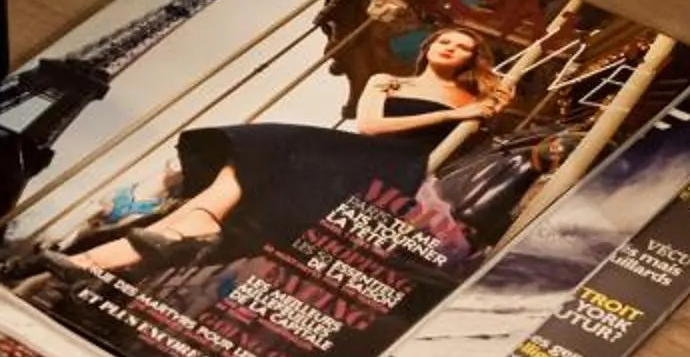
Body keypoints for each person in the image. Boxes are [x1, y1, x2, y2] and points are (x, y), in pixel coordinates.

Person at [49, 24, 511, 279]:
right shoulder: (389, 82)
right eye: (445, 40)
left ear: (472, 58)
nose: (451, 47)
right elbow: (370, 125)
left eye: (462, 46)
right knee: (245, 176)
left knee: (270, 143)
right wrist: (444, 117)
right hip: (362, 151)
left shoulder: (472, 102)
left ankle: (197, 221)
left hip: (400, 167)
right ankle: (83, 264)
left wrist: (473, 112)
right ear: (430, 47)